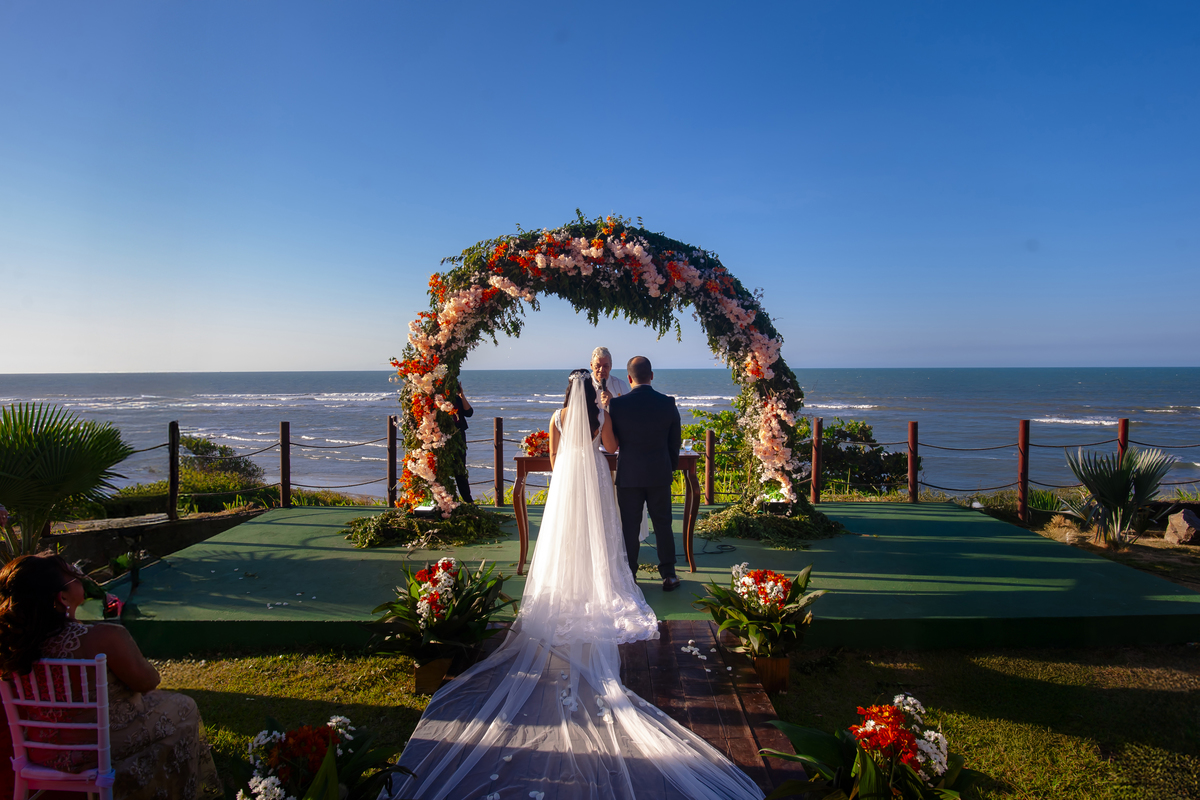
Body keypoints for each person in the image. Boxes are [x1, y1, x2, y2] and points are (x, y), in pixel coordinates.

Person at [386, 371, 762, 800]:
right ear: (591, 393)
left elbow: (554, 454)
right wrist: (600, 439)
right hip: (598, 476)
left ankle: (565, 579)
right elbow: (612, 448)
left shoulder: (557, 415)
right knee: (601, 534)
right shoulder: (601, 413)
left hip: (567, 479)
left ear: (568, 392)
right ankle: (602, 578)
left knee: (563, 533)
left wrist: (570, 458)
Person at [0, 554, 221, 800]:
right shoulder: (104, 637)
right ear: (62, 598)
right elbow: (147, 681)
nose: (82, 579)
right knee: (183, 707)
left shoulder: (13, 646)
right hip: (98, 749)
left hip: (42, 751)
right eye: (74, 577)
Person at [603, 356, 683, 591]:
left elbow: (614, 443)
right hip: (659, 473)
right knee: (663, 524)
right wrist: (669, 467)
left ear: (629, 378)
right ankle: (668, 574)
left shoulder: (618, 405)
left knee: (629, 526)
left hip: (629, 475)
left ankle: (630, 576)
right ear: (651, 376)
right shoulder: (668, 403)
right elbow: (674, 442)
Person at [450, 384, 475, 503]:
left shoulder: (457, 399)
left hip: (459, 435)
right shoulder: (438, 399)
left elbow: (469, 412)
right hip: (442, 437)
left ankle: (468, 500)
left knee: (460, 469)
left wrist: (461, 395)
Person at [590, 346, 629, 413]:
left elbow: (629, 412)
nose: (601, 370)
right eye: (597, 366)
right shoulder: (584, 385)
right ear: (591, 365)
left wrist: (613, 403)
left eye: (605, 366)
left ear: (611, 366)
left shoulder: (621, 385)